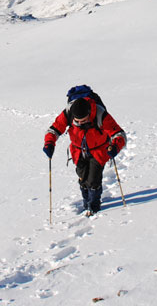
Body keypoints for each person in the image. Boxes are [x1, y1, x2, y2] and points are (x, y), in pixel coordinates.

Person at [42, 85, 126, 216]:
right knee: (82, 177)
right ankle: (86, 201)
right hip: (78, 150)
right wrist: (49, 143)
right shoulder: (68, 112)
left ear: (89, 114)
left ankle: (94, 205)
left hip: (99, 151)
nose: (80, 124)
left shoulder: (100, 113)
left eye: (84, 121)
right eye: (77, 121)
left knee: (93, 180)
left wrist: (115, 146)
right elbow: (54, 129)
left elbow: (119, 134)